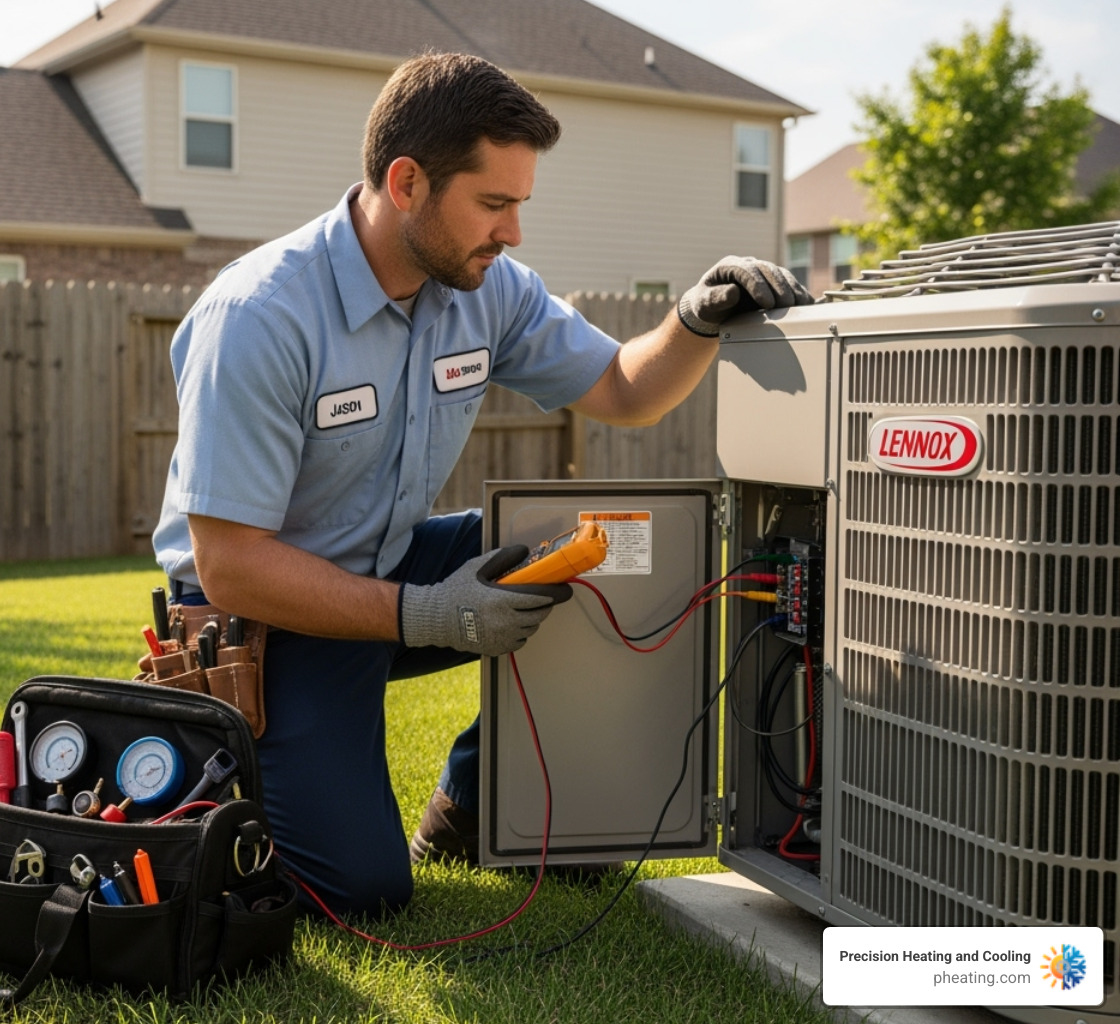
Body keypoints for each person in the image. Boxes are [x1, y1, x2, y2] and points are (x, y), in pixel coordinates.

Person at [152, 52, 810, 917]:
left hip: (388, 563)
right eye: (494, 204)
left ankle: (470, 805)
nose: (512, 233)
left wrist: (694, 318)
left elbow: (625, 388)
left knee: (613, 545)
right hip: (264, 617)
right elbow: (231, 562)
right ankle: (199, 748)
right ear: (407, 181)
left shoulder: (484, 292)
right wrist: (426, 612)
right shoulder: (261, 317)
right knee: (365, 891)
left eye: (519, 206)